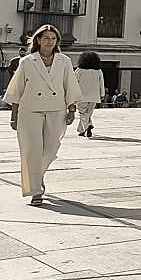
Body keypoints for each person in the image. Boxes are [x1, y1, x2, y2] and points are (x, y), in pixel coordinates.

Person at [3, 25, 82, 206]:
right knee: (32, 151)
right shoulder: (27, 61)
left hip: (56, 109)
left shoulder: (64, 61)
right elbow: (17, 90)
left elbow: (69, 85)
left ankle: (38, 177)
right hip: (29, 110)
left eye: (53, 39)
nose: (50, 42)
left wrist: (72, 109)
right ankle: (36, 191)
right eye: (46, 38)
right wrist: (14, 115)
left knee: (51, 150)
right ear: (38, 40)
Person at [73, 51, 105, 138]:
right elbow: (101, 83)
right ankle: (82, 130)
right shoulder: (98, 71)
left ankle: (87, 126)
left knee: (83, 113)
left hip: (81, 96)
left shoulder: (79, 71)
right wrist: (102, 94)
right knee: (88, 113)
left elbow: (74, 83)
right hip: (94, 96)